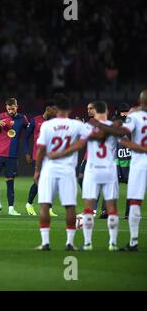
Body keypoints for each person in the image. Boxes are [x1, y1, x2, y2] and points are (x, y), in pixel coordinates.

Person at [49, 101, 120, 251]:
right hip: (109, 170)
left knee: (88, 208)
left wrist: (61, 153)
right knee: (112, 208)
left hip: (93, 170)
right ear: (106, 111)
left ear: (96, 111)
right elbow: (125, 141)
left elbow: (79, 145)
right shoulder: (114, 127)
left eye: (90, 109)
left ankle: (88, 243)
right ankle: (113, 243)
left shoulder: (87, 127)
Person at [88, 90, 147, 251]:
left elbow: (122, 132)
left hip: (140, 163)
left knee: (135, 201)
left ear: (141, 102)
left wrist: (101, 125)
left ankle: (133, 242)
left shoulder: (135, 117)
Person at [34, 94, 90, 251]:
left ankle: (45, 243)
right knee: (70, 206)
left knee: (45, 205)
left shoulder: (47, 126)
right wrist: (69, 150)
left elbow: (41, 150)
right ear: (70, 109)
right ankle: (70, 243)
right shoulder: (76, 125)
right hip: (68, 170)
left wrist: (38, 170)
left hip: (49, 169)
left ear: (56, 109)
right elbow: (84, 142)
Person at [0, 98, 28, 216]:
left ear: (17, 107)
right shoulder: (1, 116)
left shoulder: (23, 119)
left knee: (9, 180)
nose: (11, 110)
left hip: (12, 155)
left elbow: (30, 131)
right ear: (6, 108)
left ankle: (11, 208)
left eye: (13, 107)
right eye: (9, 108)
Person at [23, 100, 58, 217]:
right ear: (48, 109)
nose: (56, 112)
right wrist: (26, 152)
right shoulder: (34, 121)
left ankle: (48, 208)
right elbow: (26, 138)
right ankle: (29, 204)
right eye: (54, 110)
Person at [112, 103, 131, 219]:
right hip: (119, 160)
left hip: (126, 160)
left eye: (126, 111)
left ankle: (128, 214)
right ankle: (107, 211)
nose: (125, 113)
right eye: (124, 111)